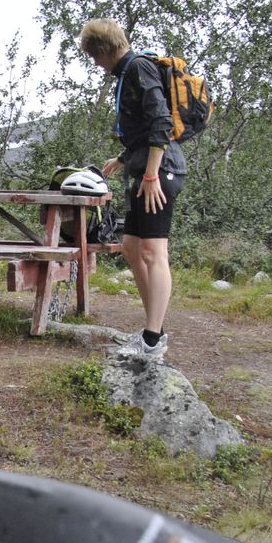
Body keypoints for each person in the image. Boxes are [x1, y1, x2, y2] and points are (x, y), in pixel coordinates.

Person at [79, 18, 189, 360]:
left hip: (160, 174)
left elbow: (161, 124)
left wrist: (152, 175)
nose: (96, 63)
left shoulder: (139, 67)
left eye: (94, 56)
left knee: (154, 253)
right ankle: (150, 330)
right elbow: (142, 129)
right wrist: (125, 158)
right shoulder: (129, 72)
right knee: (130, 248)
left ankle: (153, 340)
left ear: (103, 50)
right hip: (144, 170)